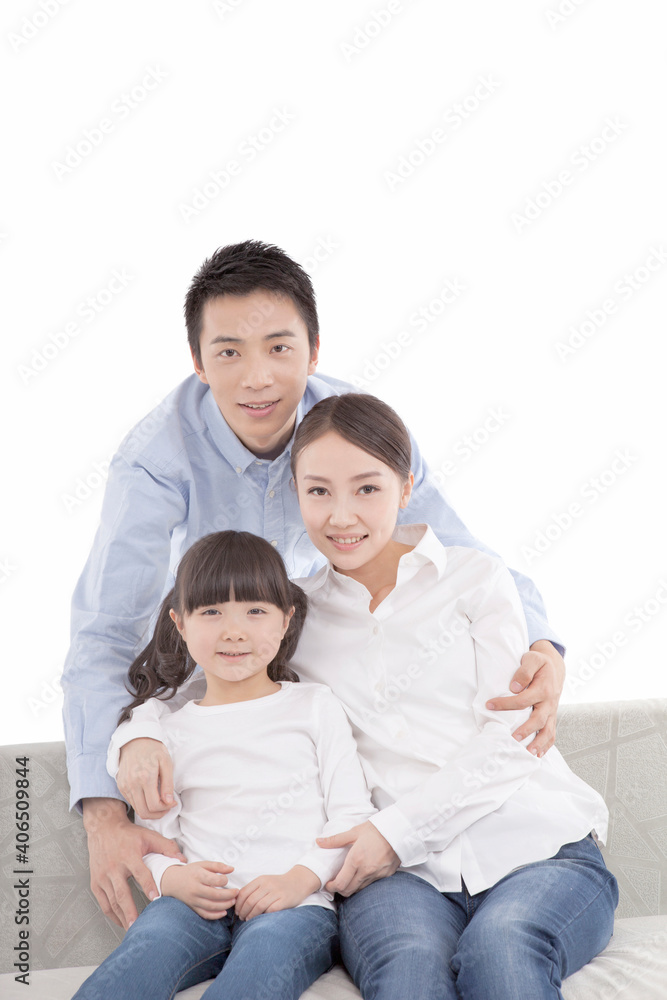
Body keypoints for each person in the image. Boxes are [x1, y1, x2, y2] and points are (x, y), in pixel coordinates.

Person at [62, 239, 566, 929]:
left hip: (319, 688)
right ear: (197, 360)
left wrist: (543, 646)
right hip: (220, 669)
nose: (257, 378)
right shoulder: (154, 461)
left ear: (314, 348)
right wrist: (106, 806)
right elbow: (105, 635)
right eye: (228, 352)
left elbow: (464, 558)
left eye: (278, 347)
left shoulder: (355, 427)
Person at [114, 393, 619, 1000]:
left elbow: (514, 737)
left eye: (367, 489)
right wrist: (138, 733)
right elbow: (201, 684)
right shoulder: (290, 614)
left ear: (406, 488)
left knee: (501, 951)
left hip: (535, 847)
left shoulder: (476, 580)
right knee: (407, 974)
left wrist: (396, 830)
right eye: (318, 491)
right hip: (396, 879)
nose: (341, 515)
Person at [74, 530, 375, 1000]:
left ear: (285, 620)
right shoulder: (167, 731)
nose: (234, 630)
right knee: (135, 964)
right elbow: (158, 835)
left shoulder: (315, 706)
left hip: (294, 907)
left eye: (255, 611)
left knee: (260, 970)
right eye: (211, 612)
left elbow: (352, 816)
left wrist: (299, 880)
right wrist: (174, 878)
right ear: (180, 622)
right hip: (193, 904)